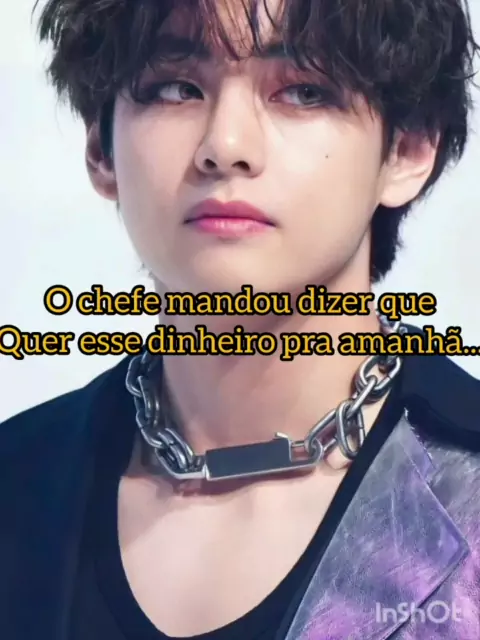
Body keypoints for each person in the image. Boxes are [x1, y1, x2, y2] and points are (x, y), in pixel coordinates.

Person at [1, 0, 480, 638]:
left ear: (409, 148)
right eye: (175, 88)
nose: (225, 147)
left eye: (304, 91)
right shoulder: (17, 480)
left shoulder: (468, 487)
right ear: (100, 147)